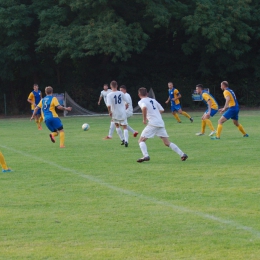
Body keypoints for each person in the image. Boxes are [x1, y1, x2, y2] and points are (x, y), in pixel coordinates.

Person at [137, 87, 188, 162]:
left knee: (141, 140)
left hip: (153, 123)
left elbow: (144, 108)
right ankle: (182, 154)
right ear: (147, 93)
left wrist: (144, 119)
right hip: (160, 122)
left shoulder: (141, 101)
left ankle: (146, 156)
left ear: (139, 95)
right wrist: (155, 114)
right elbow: (162, 109)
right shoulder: (153, 100)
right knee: (167, 143)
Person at [106, 80, 130, 147]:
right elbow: (127, 102)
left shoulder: (109, 94)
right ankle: (126, 141)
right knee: (125, 127)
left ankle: (122, 139)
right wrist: (126, 105)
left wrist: (110, 112)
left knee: (117, 125)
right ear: (117, 86)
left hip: (115, 113)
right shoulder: (121, 93)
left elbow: (108, 105)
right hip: (122, 112)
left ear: (110, 86)